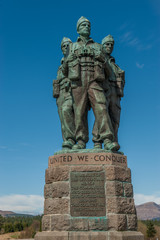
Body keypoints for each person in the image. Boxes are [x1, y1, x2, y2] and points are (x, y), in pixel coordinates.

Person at [63, 17, 119, 151]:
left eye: (88, 25)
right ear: (78, 29)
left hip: (94, 81)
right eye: (83, 25)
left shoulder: (98, 46)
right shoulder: (72, 47)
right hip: (78, 81)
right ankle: (81, 140)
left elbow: (109, 71)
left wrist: (103, 60)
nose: (86, 27)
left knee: (101, 108)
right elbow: (65, 72)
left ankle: (106, 139)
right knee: (79, 111)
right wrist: (67, 61)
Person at [53, 37, 75, 149]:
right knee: (63, 120)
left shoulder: (74, 60)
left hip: (71, 91)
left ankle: (72, 139)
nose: (66, 47)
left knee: (67, 111)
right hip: (60, 93)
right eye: (64, 46)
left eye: (68, 45)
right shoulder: (60, 65)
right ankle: (67, 142)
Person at [102, 35, 125, 142]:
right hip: (104, 90)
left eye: (111, 45)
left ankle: (113, 140)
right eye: (107, 44)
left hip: (115, 92)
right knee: (102, 116)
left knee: (115, 119)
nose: (110, 46)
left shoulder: (116, 66)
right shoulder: (100, 60)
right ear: (102, 46)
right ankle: (98, 141)